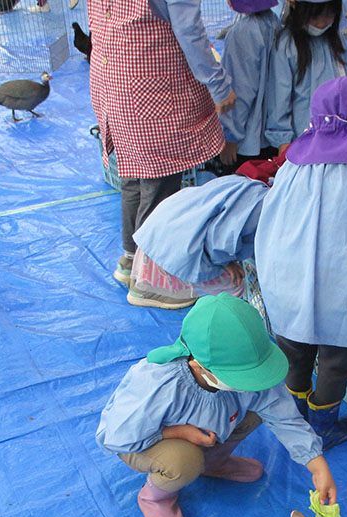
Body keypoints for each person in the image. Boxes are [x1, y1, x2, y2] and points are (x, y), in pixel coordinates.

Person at [96, 293, 337, 517]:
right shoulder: (157, 384)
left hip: (206, 429)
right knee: (182, 460)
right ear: (200, 366)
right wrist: (177, 432)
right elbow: (116, 438)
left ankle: (212, 462)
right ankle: (155, 496)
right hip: (143, 441)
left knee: (257, 409)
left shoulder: (241, 368)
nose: (251, 385)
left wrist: (316, 463)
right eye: (242, 377)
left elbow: (282, 413)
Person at [254, 76, 347, 449]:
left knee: (293, 351)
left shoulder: (292, 168)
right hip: (341, 285)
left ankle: (294, 420)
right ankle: (324, 426)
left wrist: (270, 278)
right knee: (335, 359)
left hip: (288, 280)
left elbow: (269, 225)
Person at [87, 0, 237, 307]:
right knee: (160, 181)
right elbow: (188, 30)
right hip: (150, 88)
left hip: (112, 81)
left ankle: (130, 258)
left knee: (133, 175)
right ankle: (151, 279)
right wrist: (218, 85)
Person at [127, 173, 270, 308]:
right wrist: (225, 263)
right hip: (173, 245)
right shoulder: (261, 209)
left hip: (159, 228)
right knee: (233, 286)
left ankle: (145, 287)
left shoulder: (257, 189)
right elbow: (219, 240)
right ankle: (224, 318)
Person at [265, 0, 347, 154]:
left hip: (338, 137)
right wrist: (283, 141)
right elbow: (279, 100)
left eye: (329, 15)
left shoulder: (336, 41)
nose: (323, 22)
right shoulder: (287, 45)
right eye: (316, 16)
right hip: (302, 142)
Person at [218, 0, 282, 171]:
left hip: (247, 143)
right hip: (273, 137)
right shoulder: (274, 23)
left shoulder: (242, 34)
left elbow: (240, 90)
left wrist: (231, 136)